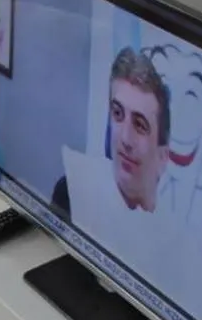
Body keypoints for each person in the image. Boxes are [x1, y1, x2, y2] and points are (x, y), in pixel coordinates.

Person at [51, 47, 171, 217]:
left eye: (140, 125)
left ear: (162, 157)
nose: (125, 138)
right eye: (118, 114)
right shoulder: (72, 194)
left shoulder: (178, 239)